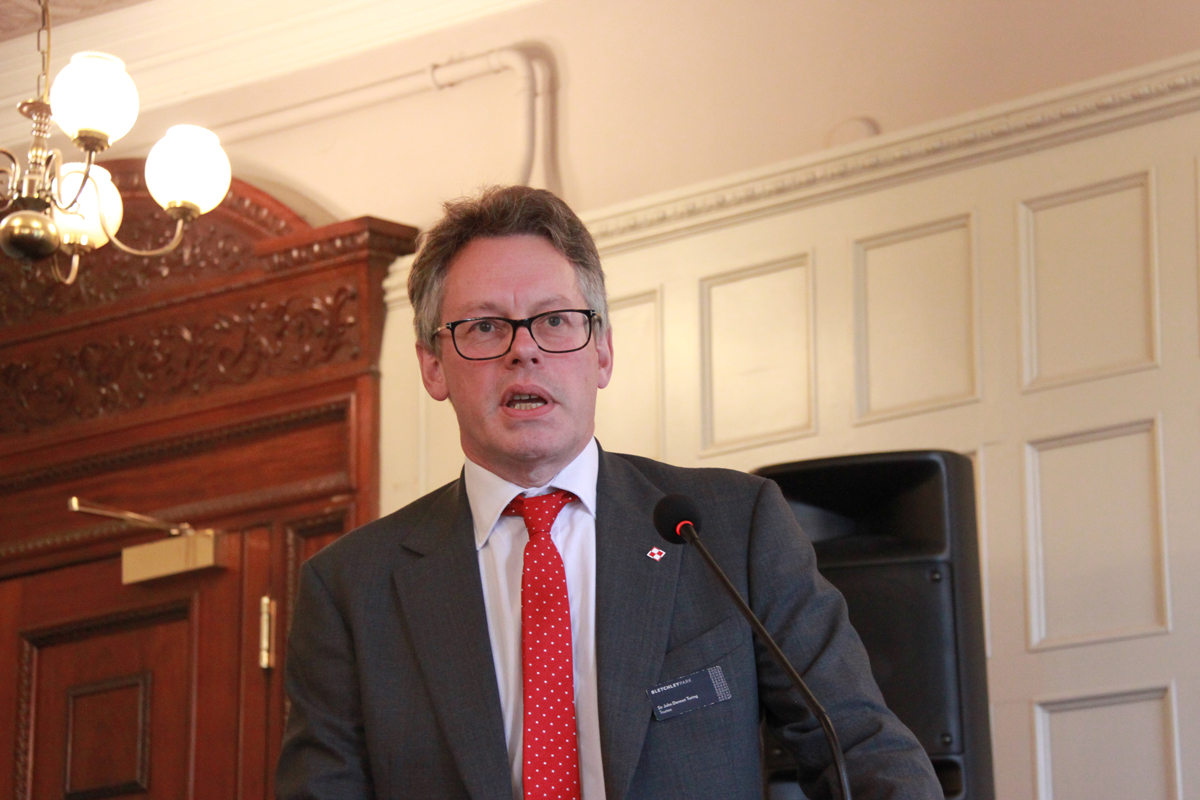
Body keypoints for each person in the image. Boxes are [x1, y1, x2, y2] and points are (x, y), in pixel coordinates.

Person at [276, 186, 942, 800]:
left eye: (555, 320)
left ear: (602, 352)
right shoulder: (351, 590)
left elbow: (858, 746)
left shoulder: (730, 527)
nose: (523, 352)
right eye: (484, 327)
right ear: (432, 367)